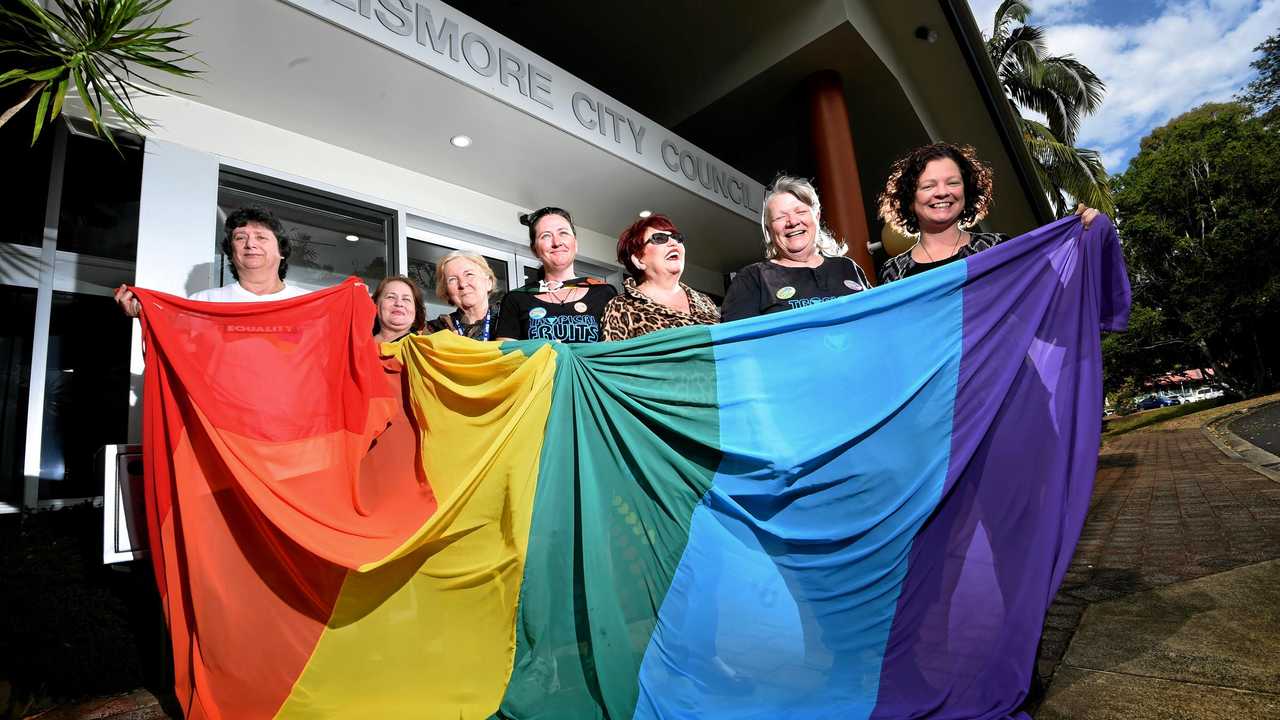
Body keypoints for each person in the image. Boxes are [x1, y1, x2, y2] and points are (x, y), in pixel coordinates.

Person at [876, 142, 1098, 284]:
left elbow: (1051, 296)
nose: (942, 192)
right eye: (928, 186)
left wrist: (1082, 240)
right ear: (910, 199)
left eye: (953, 183)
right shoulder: (893, 272)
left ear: (967, 191)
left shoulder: (997, 247)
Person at [720, 176, 872, 322]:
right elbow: (738, 342)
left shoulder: (847, 267)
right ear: (769, 230)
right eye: (780, 217)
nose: (792, 222)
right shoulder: (752, 278)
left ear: (817, 216)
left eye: (801, 212)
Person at [114, 205, 308, 315]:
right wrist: (144, 315)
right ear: (231, 253)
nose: (250, 244)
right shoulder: (204, 301)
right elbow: (178, 353)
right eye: (240, 238)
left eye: (261, 237)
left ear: (281, 251)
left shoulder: (310, 305)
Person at [495, 206, 617, 343]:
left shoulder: (604, 292)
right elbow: (507, 359)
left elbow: (618, 355)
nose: (557, 242)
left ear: (575, 244)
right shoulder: (516, 299)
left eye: (563, 233)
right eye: (546, 236)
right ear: (535, 250)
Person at [600, 213, 720, 341]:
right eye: (659, 238)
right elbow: (614, 359)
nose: (673, 243)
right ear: (639, 260)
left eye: (676, 238)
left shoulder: (705, 301)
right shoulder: (621, 307)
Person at [424, 251, 499, 341]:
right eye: (452, 279)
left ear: (489, 282)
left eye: (469, 274)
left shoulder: (508, 318)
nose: (462, 284)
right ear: (446, 291)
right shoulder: (435, 331)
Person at [371, 275, 426, 344]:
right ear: (376, 303)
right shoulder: (357, 342)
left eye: (406, 299)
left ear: (416, 310)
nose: (399, 303)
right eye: (391, 297)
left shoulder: (424, 347)